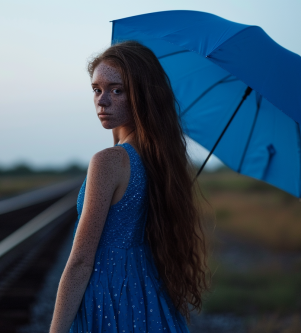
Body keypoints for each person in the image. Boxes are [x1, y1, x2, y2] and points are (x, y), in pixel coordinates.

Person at [49, 41, 208, 333]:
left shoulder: (109, 162)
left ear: (143, 95)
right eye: (97, 89)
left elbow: (81, 261)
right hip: (148, 297)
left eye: (116, 90)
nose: (102, 101)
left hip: (110, 297)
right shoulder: (159, 160)